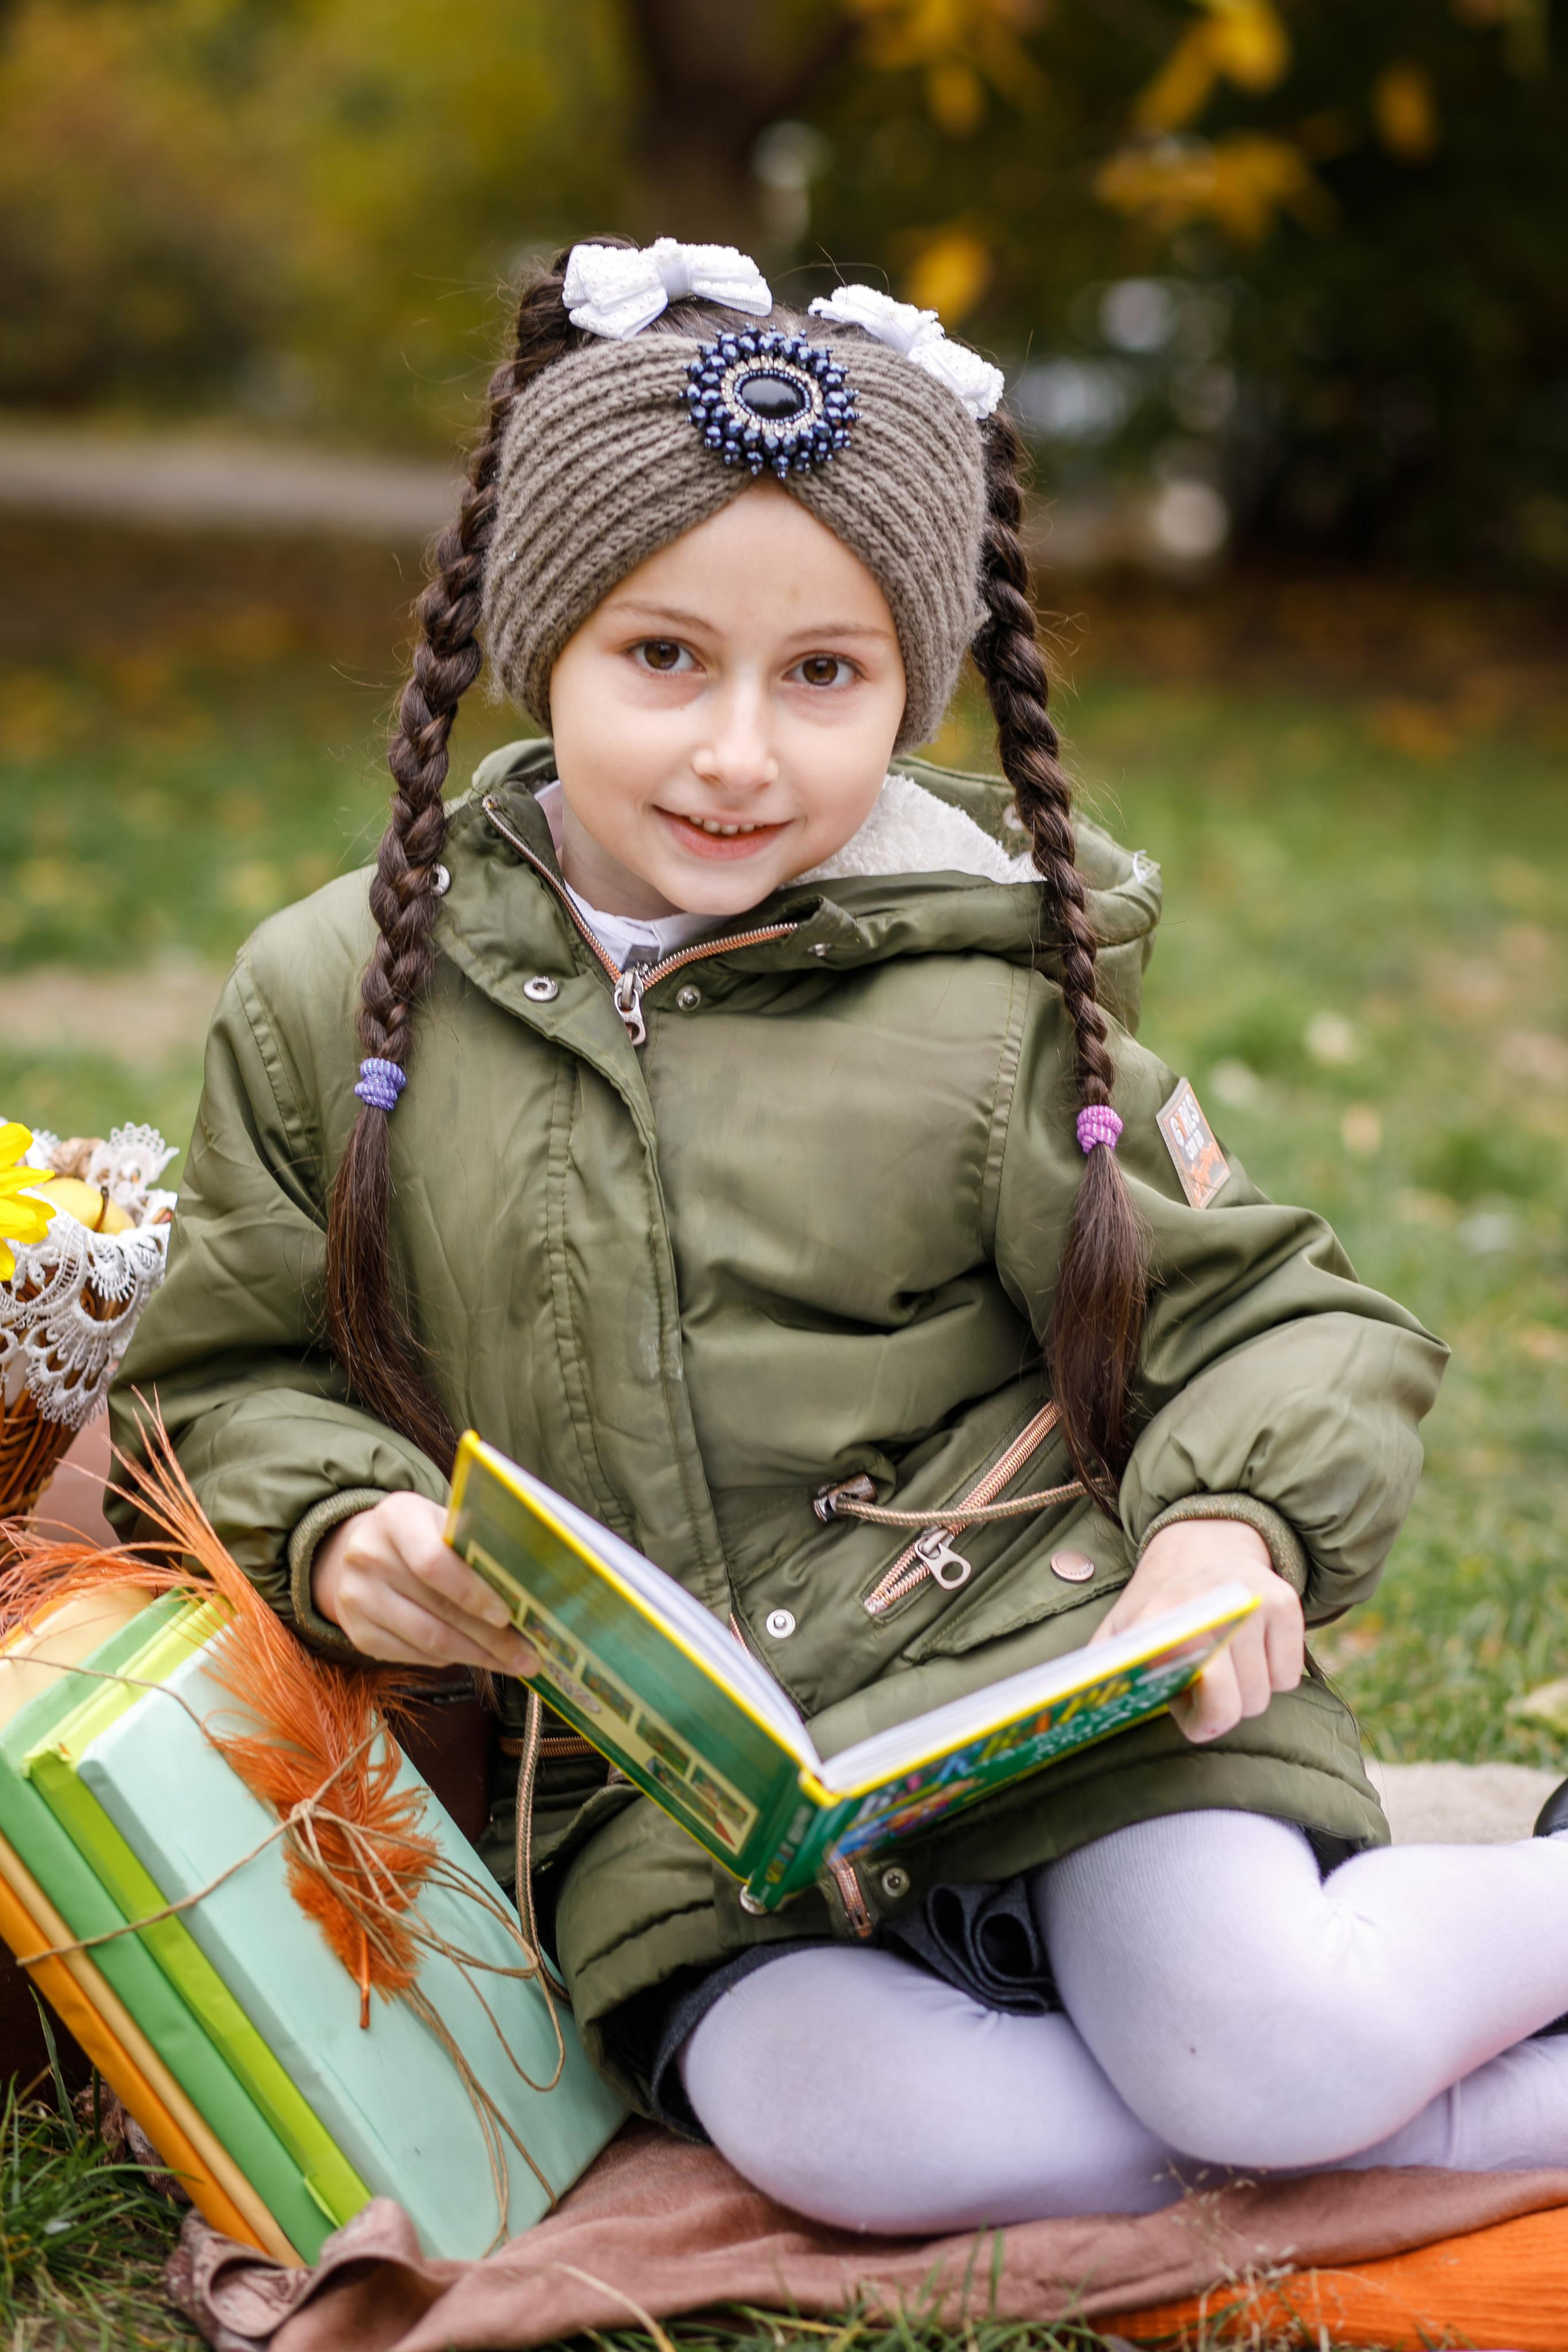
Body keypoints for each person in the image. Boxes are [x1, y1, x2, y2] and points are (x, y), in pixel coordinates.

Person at [111, 236, 1568, 2235]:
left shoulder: (984, 996)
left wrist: (1230, 1534)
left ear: (915, 683)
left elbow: (1276, 1321)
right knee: (857, 2148)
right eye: (663, 657)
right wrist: (345, 1525)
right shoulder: (333, 998)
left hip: (1056, 1688)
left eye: (825, 676)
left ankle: (1356, 2045)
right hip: (681, 1816)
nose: (740, 752)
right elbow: (222, 1373)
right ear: (540, 639)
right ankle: (1381, 2118)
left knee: (1269, 2051)